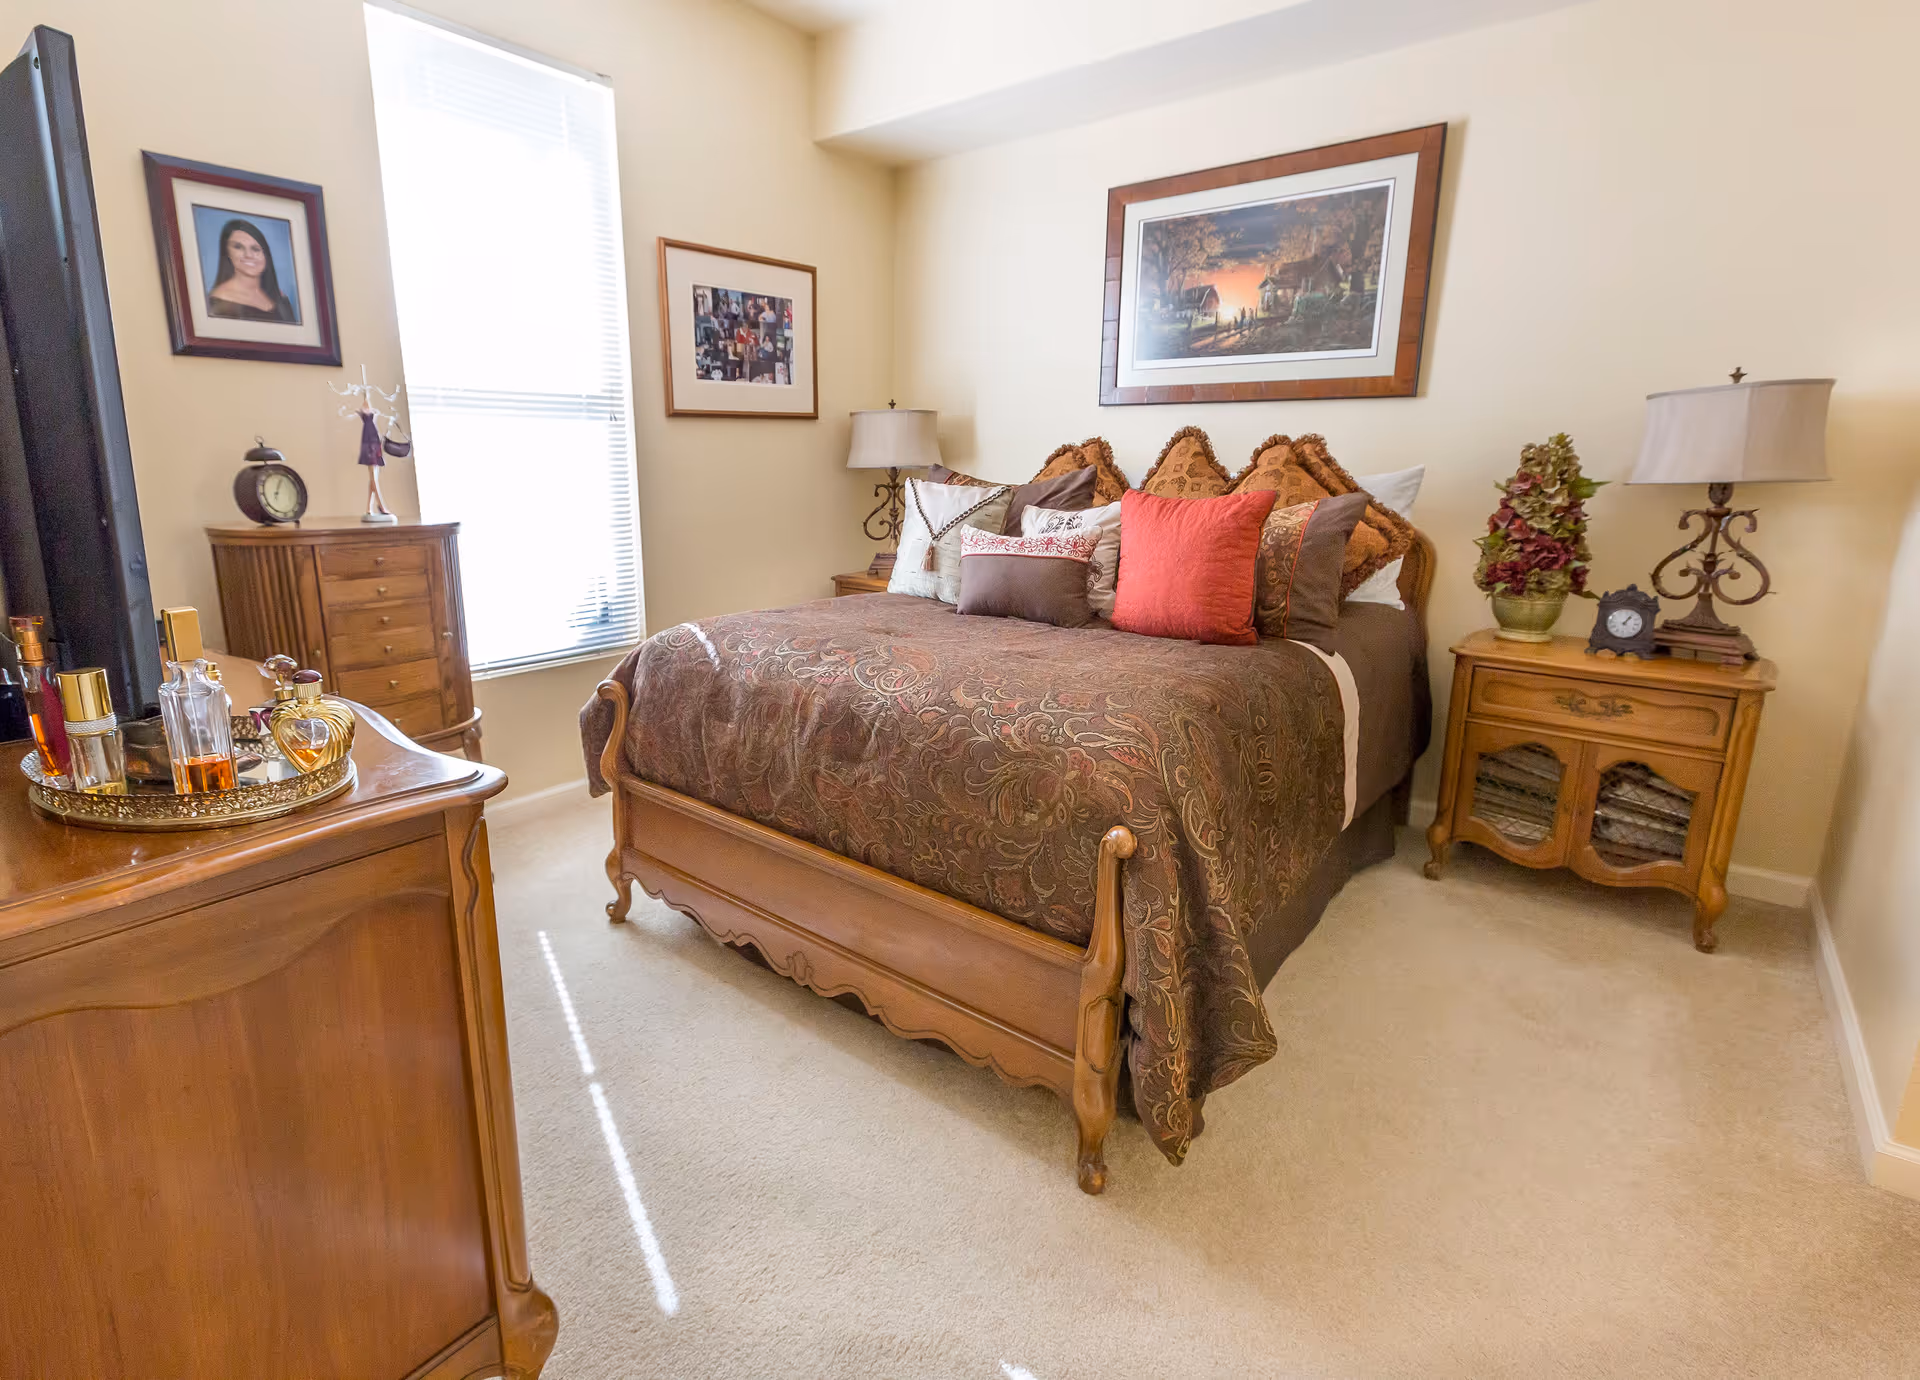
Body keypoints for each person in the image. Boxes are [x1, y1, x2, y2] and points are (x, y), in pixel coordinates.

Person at [205, 219, 297, 322]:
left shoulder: (280, 299)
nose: (248, 255)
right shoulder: (217, 303)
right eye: (238, 247)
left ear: (266, 255)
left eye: (255, 249)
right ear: (227, 253)